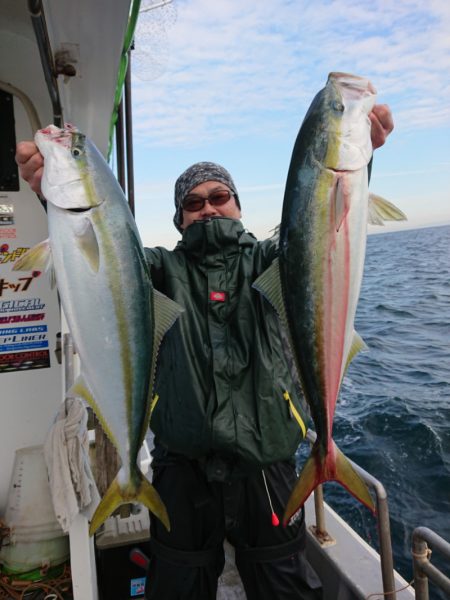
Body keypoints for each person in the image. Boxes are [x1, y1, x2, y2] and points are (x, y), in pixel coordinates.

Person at [16, 104, 394, 600]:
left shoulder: (272, 260)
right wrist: (53, 193)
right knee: (176, 587)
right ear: (178, 219)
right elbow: (103, 263)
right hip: (182, 465)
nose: (208, 208)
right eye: (193, 203)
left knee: (284, 587)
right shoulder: (154, 270)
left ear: (237, 204)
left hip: (266, 461)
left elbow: (321, 228)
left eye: (219, 196)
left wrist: (357, 159)